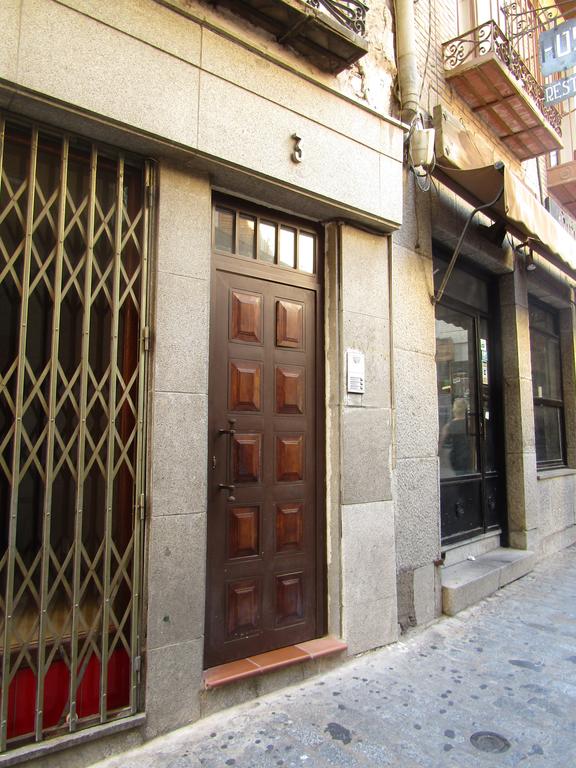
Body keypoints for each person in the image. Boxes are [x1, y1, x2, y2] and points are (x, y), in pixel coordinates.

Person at [441, 397, 471, 473]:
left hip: (456, 457)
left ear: (454, 409)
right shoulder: (471, 424)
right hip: (469, 456)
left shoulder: (448, 426)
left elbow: (440, 443)